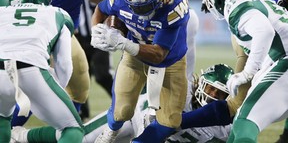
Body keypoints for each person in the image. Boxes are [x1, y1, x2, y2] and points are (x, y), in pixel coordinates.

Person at [73, 0, 199, 120]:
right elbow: (100, 3)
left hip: (163, 20)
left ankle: (145, 124)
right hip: (175, 15)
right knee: (180, 95)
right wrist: (97, 29)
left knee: (157, 86)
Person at [11, 0, 124, 126]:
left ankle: (73, 125)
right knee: (38, 90)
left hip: (61, 28)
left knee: (79, 81)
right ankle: (11, 128)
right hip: (41, 28)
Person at [90, 0, 190, 143]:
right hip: (134, 57)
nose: (139, 11)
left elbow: (159, 54)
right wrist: (96, 30)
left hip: (170, 61)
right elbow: (101, 9)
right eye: (134, 7)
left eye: (145, 6)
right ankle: (110, 132)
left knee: (170, 121)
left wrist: (124, 43)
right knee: (122, 111)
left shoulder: (174, 2)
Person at [11, 64, 233, 143]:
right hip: (135, 116)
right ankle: (22, 136)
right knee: (80, 137)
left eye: (220, 94)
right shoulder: (181, 91)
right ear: (201, 83)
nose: (213, 95)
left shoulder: (223, 124)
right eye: (211, 88)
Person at [203, 0, 288, 143]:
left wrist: (247, 73)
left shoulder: (236, 4)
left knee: (244, 122)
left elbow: (264, 31)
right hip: (280, 59)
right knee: (239, 125)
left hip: (285, 60)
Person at [0, 0, 84, 143]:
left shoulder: (2, 11)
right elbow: (64, 63)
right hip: (29, 67)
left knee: (2, 119)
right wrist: (54, 89)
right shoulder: (57, 13)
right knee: (72, 128)